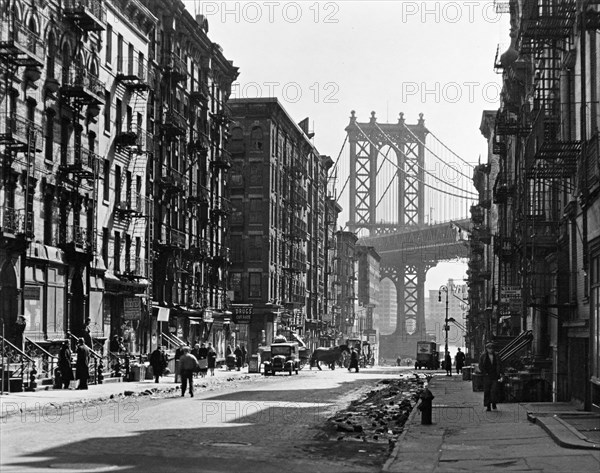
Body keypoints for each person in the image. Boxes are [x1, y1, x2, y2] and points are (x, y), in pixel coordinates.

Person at [479, 342, 503, 411]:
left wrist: (501, 373)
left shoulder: (496, 355)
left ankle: (494, 403)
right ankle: (488, 406)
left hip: (495, 375)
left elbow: (500, 365)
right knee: (487, 391)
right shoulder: (483, 356)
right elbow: (481, 365)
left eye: (492, 348)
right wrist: (484, 372)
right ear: (487, 349)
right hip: (487, 376)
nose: (490, 350)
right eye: (489, 348)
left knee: (494, 390)